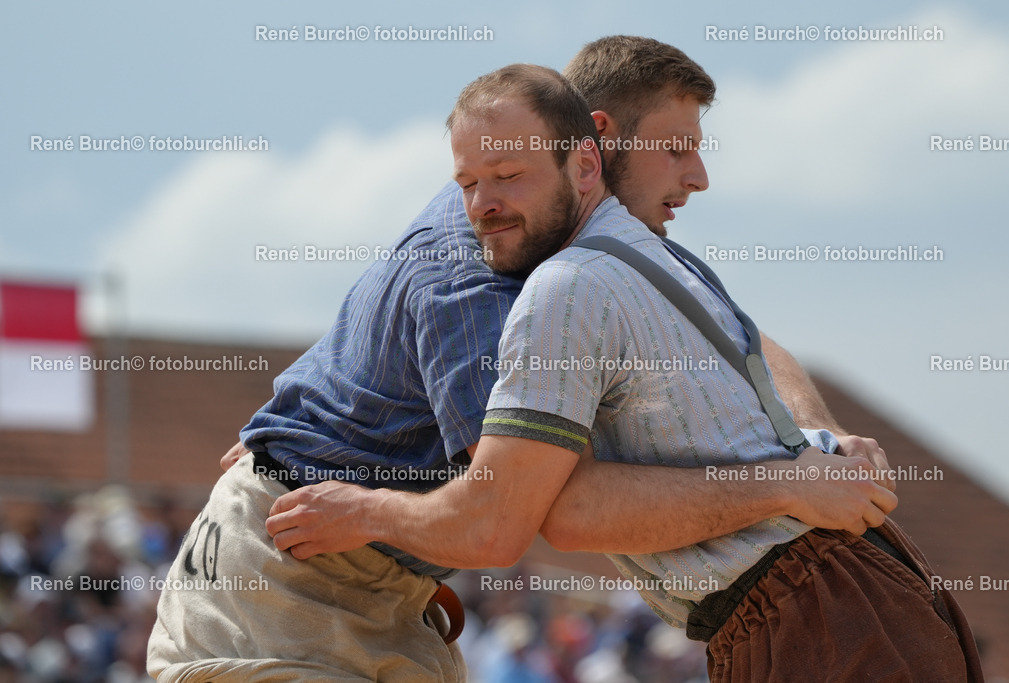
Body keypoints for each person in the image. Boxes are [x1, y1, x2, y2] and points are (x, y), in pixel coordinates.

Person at [148, 38, 904, 681]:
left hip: (364, 568)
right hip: (287, 564)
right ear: (594, 149)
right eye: (676, 148)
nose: (696, 176)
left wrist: (817, 440)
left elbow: (743, 336)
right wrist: (789, 484)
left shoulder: (581, 248)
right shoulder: (489, 277)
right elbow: (506, 521)